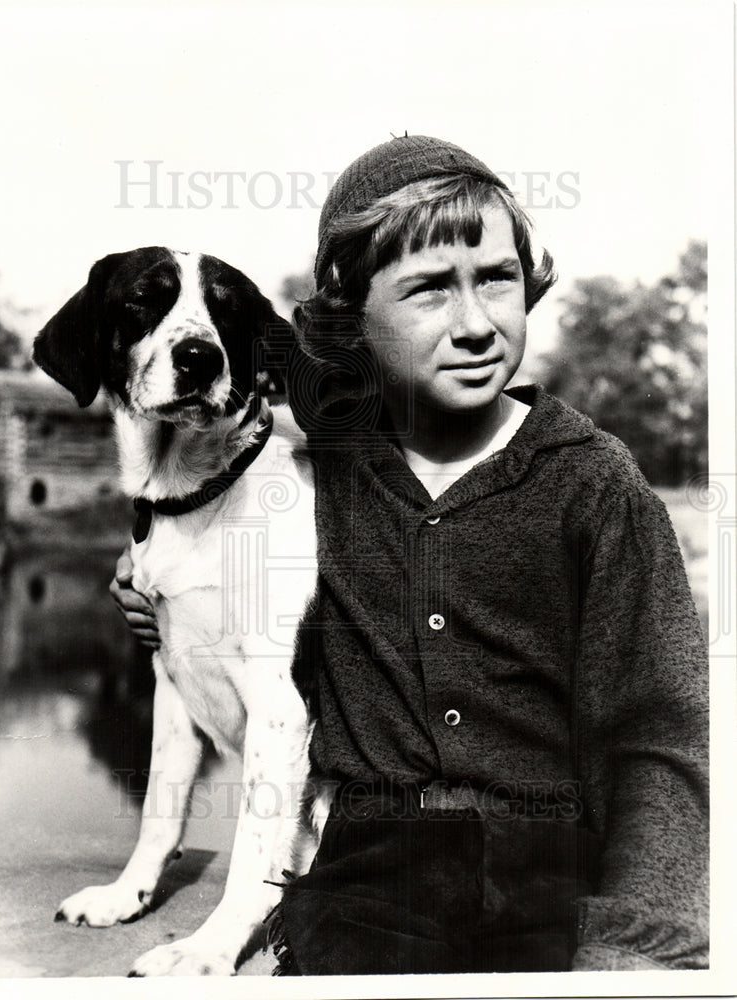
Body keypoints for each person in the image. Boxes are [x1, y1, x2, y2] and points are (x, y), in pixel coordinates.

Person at [112, 135, 709, 975]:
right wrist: (148, 580)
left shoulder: (595, 484)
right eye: (429, 289)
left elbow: (660, 740)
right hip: (366, 878)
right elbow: (204, 530)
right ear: (351, 315)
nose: (475, 324)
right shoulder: (328, 475)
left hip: (553, 876)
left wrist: (635, 945)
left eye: (497, 278)